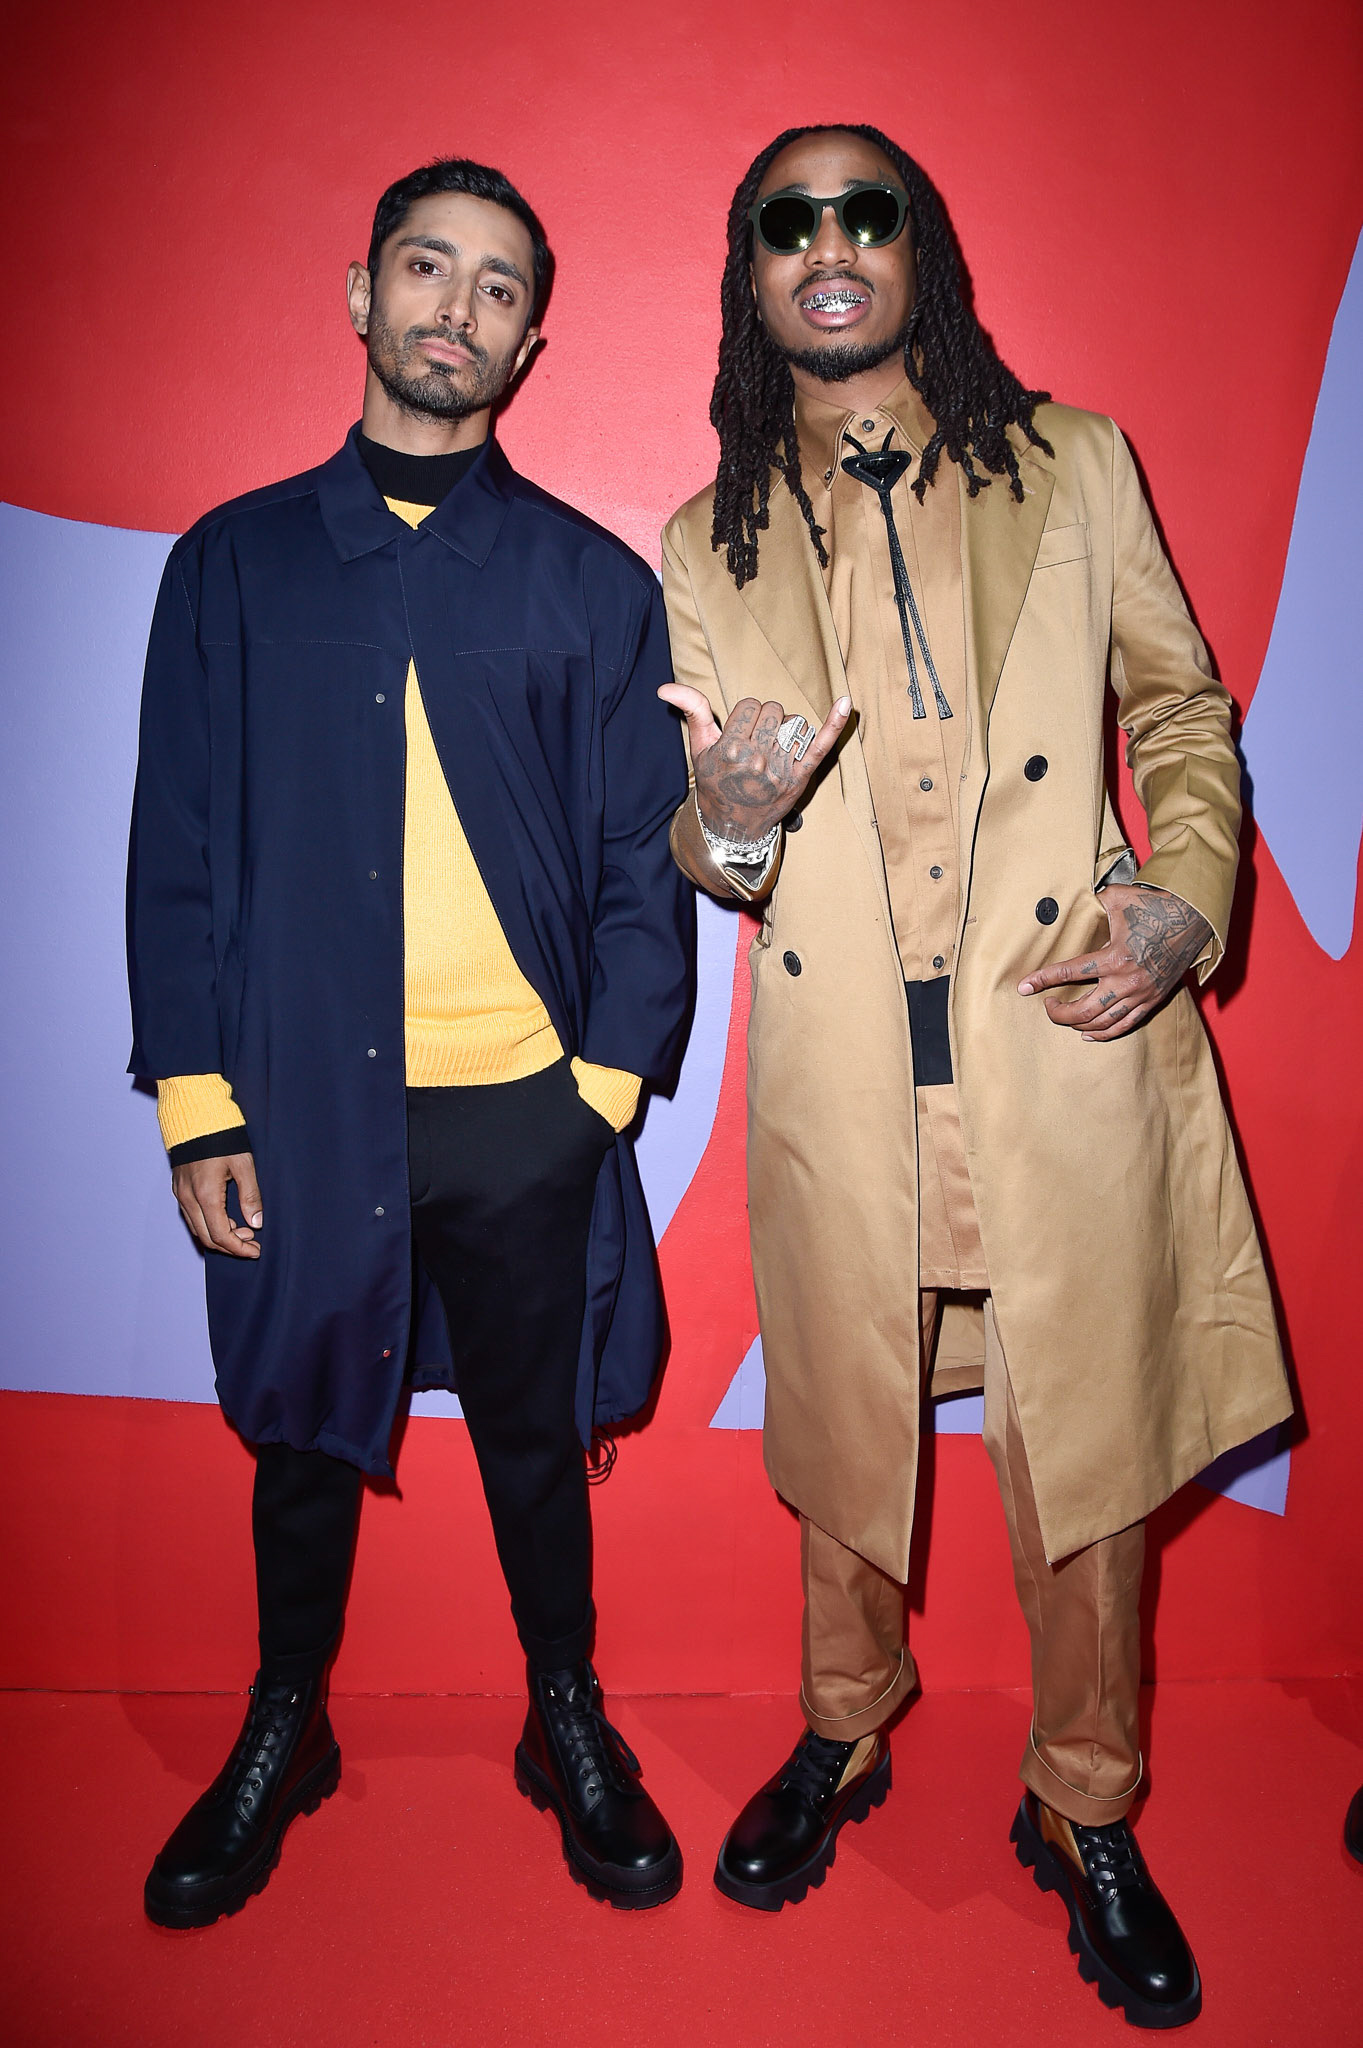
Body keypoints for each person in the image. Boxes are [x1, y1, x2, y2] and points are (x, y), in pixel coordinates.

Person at [660, 122, 1291, 2028]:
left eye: (867, 213)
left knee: (1083, 1451)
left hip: (1064, 1039)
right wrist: (738, 823)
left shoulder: (1074, 461)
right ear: (753, 278)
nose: (830, 245)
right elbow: (704, 842)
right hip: (853, 1072)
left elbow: (1180, 706)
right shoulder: (709, 541)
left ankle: (1086, 1802)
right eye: (791, 221)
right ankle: (844, 1729)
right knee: (848, 1433)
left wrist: (1184, 901)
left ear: (914, 249)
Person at [128, 156, 693, 1926]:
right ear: (358, 293)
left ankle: (566, 1717)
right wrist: (201, 1103)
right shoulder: (229, 564)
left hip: (523, 1113)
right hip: (297, 1114)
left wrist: (592, 1098)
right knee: (301, 1440)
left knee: (535, 1442)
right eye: (427, 268)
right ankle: (285, 1722)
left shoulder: (593, 584)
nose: (458, 306)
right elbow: (179, 845)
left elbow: (637, 863)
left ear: (533, 339)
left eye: (500, 285)